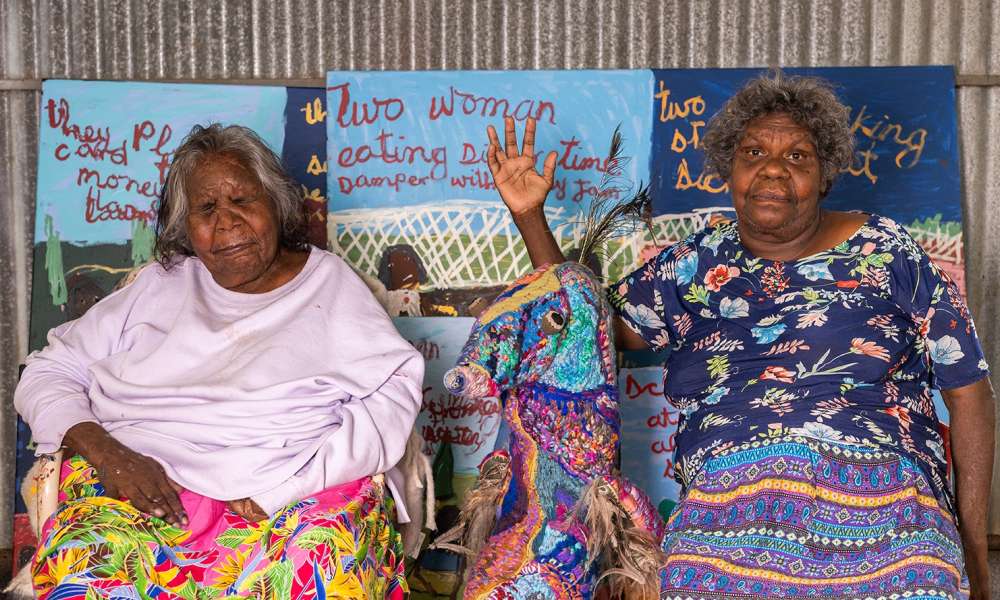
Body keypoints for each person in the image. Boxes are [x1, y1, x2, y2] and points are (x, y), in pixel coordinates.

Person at [485, 74, 994, 599]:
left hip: (888, 499)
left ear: (824, 177)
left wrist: (974, 551)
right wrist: (530, 217)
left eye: (798, 157)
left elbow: (969, 392)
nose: (774, 168)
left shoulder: (887, 250)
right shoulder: (695, 263)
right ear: (730, 169)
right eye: (754, 152)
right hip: (726, 505)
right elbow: (582, 333)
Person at [14, 124, 424, 599]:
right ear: (185, 228)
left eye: (243, 201)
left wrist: (286, 488)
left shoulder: (329, 286)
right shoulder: (159, 285)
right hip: (140, 486)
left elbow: (388, 406)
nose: (227, 222)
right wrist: (111, 456)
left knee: (324, 566)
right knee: (88, 568)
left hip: (287, 496)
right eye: (206, 210)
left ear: (276, 204)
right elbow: (46, 372)